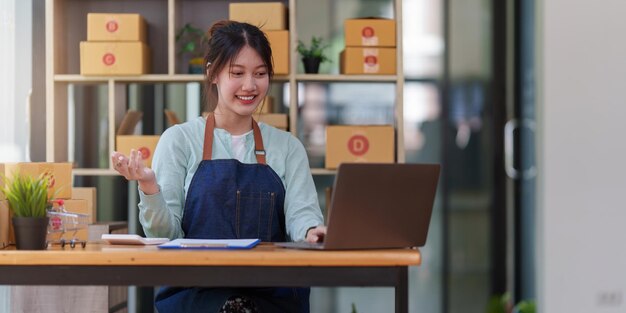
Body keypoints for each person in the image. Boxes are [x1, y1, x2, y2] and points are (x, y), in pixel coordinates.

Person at [111, 20, 326, 313]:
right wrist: (149, 186)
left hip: (271, 296)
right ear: (212, 72)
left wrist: (313, 231)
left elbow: (302, 215)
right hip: (196, 295)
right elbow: (167, 236)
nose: (250, 86)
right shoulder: (179, 140)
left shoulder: (287, 147)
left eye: (260, 74)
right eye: (237, 73)